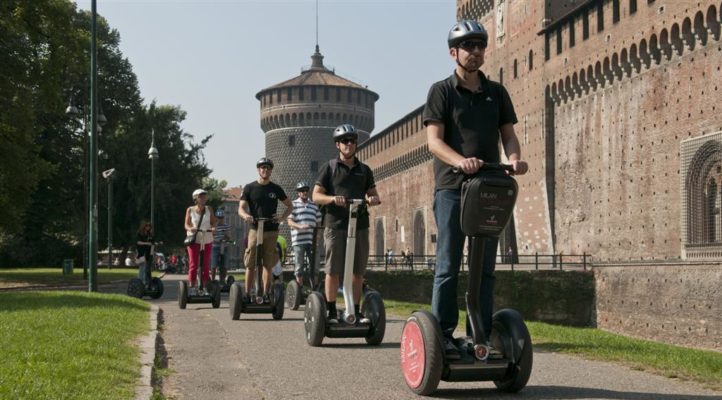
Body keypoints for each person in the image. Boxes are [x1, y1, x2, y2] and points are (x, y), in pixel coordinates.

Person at [424, 20, 528, 358]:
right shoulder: (441, 91)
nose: (475, 52)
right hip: (453, 188)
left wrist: (514, 159)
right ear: (454, 52)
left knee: (484, 266)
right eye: (468, 46)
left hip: (489, 187)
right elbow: (434, 142)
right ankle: (442, 336)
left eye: (479, 45)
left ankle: (479, 335)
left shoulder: (496, 92)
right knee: (449, 262)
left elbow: (508, 134)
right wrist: (460, 161)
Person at [313, 124, 381, 324]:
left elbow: (373, 194)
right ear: (337, 145)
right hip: (335, 224)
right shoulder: (330, 168)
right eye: (344, 141)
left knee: (358, 272)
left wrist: (373, 199)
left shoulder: (364, 170)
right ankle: (332, 312)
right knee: (333, 270)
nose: (349, 144)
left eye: (352, 140)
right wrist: (333, 199)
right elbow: (316, 196)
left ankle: (356, 311)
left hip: (359, 224)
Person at [238, 157, 292, 300]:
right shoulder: (250, 188)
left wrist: (281, 218)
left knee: (268, 264)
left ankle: (266, 294)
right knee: (250, 263)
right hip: (255, 229)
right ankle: (247, 294)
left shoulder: (275, 188)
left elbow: (289, 206)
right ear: (258, 170)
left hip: (271, 229)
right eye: (262, 167)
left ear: (271, 171)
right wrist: (246, 216)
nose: (265, 170)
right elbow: (241, 208)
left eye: (268, 168)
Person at [287, 181, 322, 286]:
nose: (305, 192)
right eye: (302, 191)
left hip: (312, 240)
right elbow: (289, 222)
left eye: (306, 190)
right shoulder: (293, 205)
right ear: (298, 193)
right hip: (298, 240)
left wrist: (318, 235)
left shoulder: (314, 206)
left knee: (315, 265)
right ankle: (299, 288)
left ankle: (314, 287)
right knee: (299, 266)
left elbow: (318, 221)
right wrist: (300, 226)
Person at [184, 188, 217, 296]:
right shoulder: (190, 210)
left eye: (204, 196)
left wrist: (213, 228)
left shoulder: (209, 209)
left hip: (207, 239)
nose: (203, 198)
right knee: (193, 264)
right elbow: (186, 225)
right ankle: (192, 287)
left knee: (206, 265)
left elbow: (213, 222)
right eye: (200, 196)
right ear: (195, 198)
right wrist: (190, 229)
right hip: (194, 239)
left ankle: (205, 287)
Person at [211, 209, 231, 283]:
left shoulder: (226, 226)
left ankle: (222, 280)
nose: (220, 219)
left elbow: (229, 236)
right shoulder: (214, 226)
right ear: (216, 218)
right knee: (214, 264)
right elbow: (211, 235)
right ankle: (212, 280)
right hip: (215, 246)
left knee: (225, 264)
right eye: (219, 217)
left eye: (222, 217)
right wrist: (215, 226)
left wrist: (226, 236)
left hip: (224, 246)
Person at [136, 221, 154, 286]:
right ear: (144, 226)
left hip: (148, 253)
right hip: (141, 252)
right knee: (142, 268)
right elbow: (138, 242)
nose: (148, 227)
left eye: (149, 226)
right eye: (147, 226)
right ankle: (140, 282)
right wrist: (146, 243)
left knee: (147, 268)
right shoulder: (140, 233)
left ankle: (147, 282)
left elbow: (152, 242)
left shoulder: (149, 234)